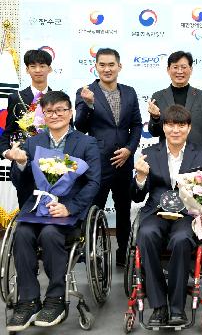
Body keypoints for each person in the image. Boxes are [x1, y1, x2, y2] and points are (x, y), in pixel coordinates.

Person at [6, 91, 100, 331]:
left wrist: (69, 207)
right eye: (50, 111)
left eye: (61, 110)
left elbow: (93, 183)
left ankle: (56, 299)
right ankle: (27, 301)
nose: (56, 115)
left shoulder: (86, 142)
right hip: (37, 207)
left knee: (50, 234)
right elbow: (21, 182)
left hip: (69, 210)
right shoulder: (33, 142)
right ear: (43, 115)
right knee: (22, 233)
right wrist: (20, 163)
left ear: (70, 113)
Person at [131, 105, 202, 326]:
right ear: (163, 127)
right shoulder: (149, 153)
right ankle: (158, 307)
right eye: (170, 125)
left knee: (181, 239)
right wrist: (140, 177)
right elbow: (138, 196)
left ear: (188, 128)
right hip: (156, 211)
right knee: (146, 234)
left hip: (188, 213)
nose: (175, 130)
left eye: (181, 125)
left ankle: (177, 307)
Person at [75, 48, 142, 267]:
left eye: (111, 64)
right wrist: (89, 104)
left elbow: (136, 125)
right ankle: (93, 252)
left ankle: (124, 253)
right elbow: (81, 126)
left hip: (124, 161)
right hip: (97, 161)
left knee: (123, 209)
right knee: (95, 207)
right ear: (96, 67)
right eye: (102, 65)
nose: (107, 69)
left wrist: (129, 150)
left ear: (119, 66)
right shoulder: (85, 92)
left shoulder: (130, 92)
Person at [0, 49, 53, 207]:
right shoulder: (16, 98)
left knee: (51, 212)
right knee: (26, 211)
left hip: (52, 165)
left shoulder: (58, 97)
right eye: (33, 66)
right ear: (27, 69)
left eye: (42, 66)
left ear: (49, 69)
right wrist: (6, 152)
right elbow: (7, 132)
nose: (38, 70)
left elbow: (68, 131)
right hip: (24, 163)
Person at [147, 51, 202, 152]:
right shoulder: (158, 96)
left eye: (183, 67)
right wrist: (155, 118)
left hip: (196, 156)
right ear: (168, 70)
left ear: (191, 70)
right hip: (167, 157)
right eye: (175, 67)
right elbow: (154, 133)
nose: (179, 71)